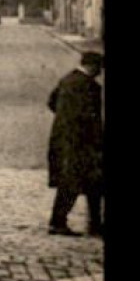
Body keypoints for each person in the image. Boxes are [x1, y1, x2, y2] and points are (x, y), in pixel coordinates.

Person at [47, 50, 104, 237]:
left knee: (89, 183)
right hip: (81, 143)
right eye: (99, 69)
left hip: (63, 138)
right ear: (92, 66)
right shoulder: (90, 86)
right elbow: (91, 118)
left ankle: (94, 223)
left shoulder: (67, 79)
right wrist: (97, 142)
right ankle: (58, 223)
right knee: (76, 182)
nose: (100, 73)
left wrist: (64, 117)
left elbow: (51, 102)